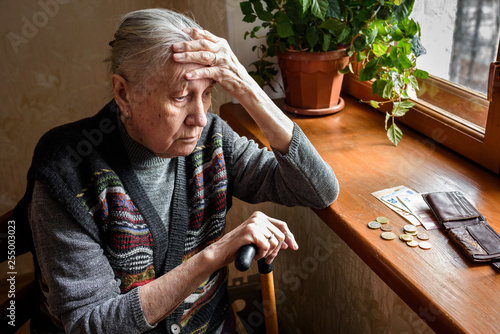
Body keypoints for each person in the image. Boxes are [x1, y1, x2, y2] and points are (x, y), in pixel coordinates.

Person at [14, 8, 339, 334]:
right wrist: (215, 254)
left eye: (208, 93)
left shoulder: (212, 138)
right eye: (181, 96)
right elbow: (91, 324)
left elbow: (318, 189)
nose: (199, 117)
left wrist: (245, 87)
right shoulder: (66, 173)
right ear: (124, 93)